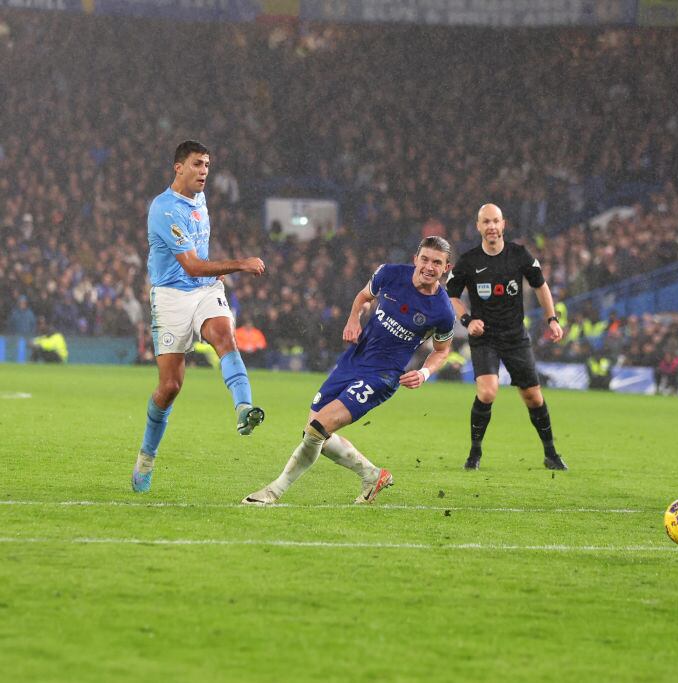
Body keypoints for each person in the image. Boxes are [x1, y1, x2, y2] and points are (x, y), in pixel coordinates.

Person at [242, 237, 456, 506]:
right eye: (425, 259)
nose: (429, 266)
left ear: (446, 267)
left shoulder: (443, 311)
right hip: (353, 360)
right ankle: (372, 475)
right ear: (415, 258)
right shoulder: (389, 274)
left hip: (383, 375)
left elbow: (442, 350)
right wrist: (353, 318)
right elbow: (364, 297)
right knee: (313, 430)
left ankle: (273, 492)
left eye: (437, 262)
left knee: (318, 428)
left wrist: (424, 373)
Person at [132, 140, 267, 494]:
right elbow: (190, 264)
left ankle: (243, 408)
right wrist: (239, 264)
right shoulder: (163, 209)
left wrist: (216, 274)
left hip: (205, 289)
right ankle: (147, 457)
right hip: (171, 297)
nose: (204, 171)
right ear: (178, 167)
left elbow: (200, 260)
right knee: (170, 387)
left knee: (224, 336)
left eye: (207, 164)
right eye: (196, 164)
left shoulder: (200, 199)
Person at [446, 203, 567, 471]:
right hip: (485, 337)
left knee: (533, 398)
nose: (491, 226)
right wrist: (467, 320)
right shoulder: (469, 261)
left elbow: (540, 286)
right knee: (488, 392)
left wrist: (552, 319)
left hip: (515, 337)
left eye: (495, 221)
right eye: (485, 221)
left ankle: (551, 453)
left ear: (503, 225)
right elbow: (450, 295)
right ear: (478, 226)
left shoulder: (519, 254)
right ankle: (474, 454)